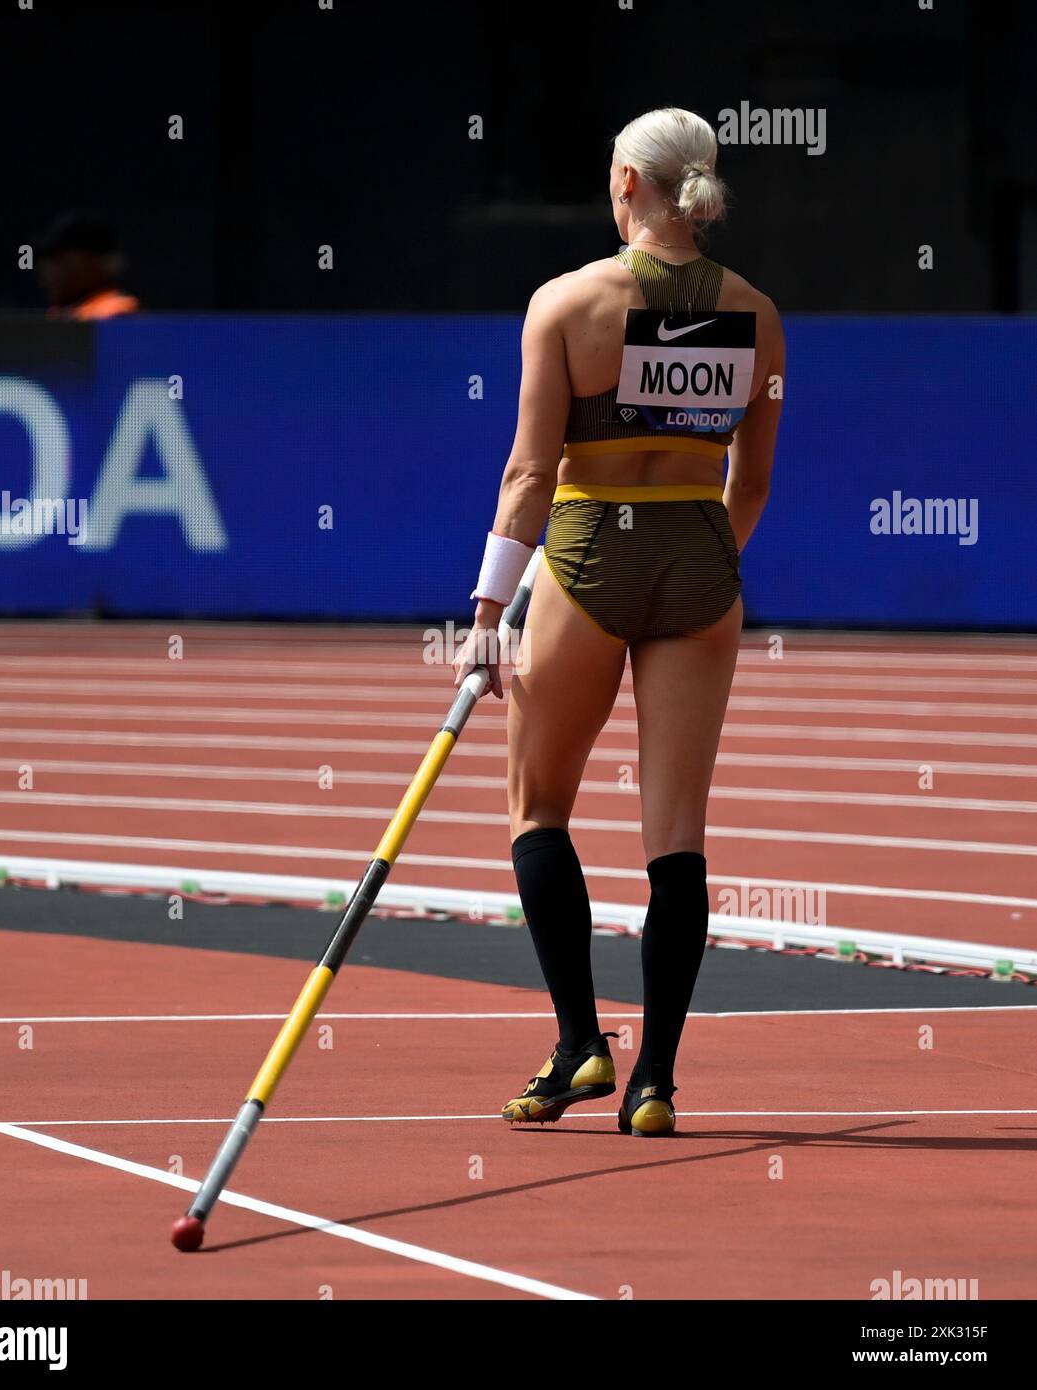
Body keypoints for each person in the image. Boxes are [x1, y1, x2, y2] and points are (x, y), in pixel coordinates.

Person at [453, 107, 785, 1137]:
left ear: (627, 186)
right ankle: (655, 1082)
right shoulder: (756, 313)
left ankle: (577, 1043)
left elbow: (526, 474)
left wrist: (485, 610)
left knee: (537, 807)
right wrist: (702, 556)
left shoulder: (567, 303)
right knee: (674, 833)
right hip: (698, 559)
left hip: (590, 547)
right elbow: (753, 479)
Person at [36, 212, 140, 319]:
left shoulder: (116, 313)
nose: (47, 271)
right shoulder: (58, 311)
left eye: (60, 259)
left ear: (96, 260)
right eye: (46, 261)